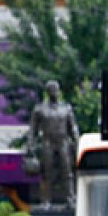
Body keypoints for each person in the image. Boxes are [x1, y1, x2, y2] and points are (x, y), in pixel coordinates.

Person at [27, 80, 80, 208]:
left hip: (63, 142)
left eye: (56, 89)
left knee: (67, 171)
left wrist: (77, 143)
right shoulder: (40, 109)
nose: (54, 92)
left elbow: (73, 128)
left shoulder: (66, 108)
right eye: (52, 90)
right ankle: (45, 201)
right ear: (48, 92)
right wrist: (30, 145)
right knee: (47, 172)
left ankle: (70, 199)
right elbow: (33, 129)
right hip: (47, 142)